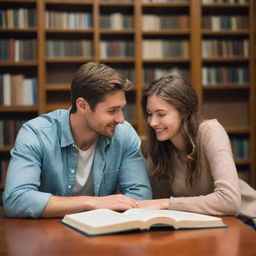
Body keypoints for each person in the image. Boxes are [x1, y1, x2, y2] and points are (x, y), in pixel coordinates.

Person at [3, 62, 152, 218]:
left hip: (102, 232)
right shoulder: (36, 134)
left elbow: (141, 196)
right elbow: (16, 199)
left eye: (121, 109)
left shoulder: (124, 135)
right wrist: (93, 203)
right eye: (112, 110)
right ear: (82, 106)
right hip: (48, 233)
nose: (121, 119)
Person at [139, 74, 256, 229]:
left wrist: (168, 203)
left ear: (185, 112)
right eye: (149, 114)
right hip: (204, 224)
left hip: (245, 219)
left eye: (161, 114)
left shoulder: (210, 131)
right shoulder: (158, 148)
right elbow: (152, 202)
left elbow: (229, 202)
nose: (153, 122)